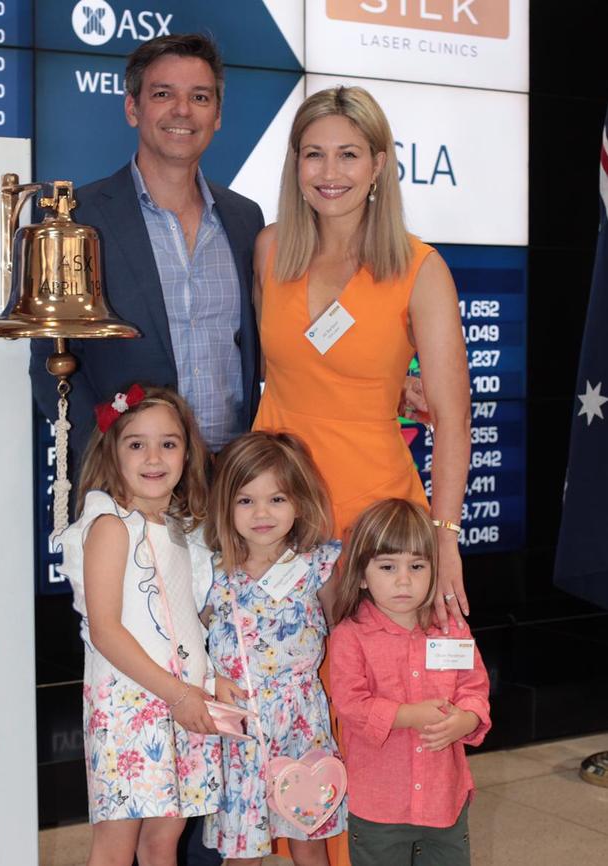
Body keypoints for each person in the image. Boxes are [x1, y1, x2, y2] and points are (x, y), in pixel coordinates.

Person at [252, 85, 470, 632]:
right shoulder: (270, 249)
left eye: (348, 154)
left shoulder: (421, 269)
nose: (331, 171)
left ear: (377, 165)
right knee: (283, 695)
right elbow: (278, 366)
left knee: (372, 699)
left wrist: (444, 538)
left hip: (375, 521)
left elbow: (453, 419)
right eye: (314, 153)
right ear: (295, 163)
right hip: (272, 512)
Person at [30, 33, 264, 463]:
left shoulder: (246, 219)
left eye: (200, 96)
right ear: (132, 108)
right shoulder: (76, 217)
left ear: (217, 116)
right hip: (129, 488)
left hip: (233, 482)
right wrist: (110, 461)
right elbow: (51, 360)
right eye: (162, 94)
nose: (182, 110)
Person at [53, 384, 244, 866]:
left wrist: (205, 681)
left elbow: (185, 622)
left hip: (184, 701)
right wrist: (178, 695)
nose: (153, 457)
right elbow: (106, 631)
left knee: (163, 841)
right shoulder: (109, 525)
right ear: (112, 451)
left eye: (169, 443)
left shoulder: (183, 529)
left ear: (187, 452)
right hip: (129, 708)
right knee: (116, 845)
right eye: (136, 443)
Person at [201, 431, 348, 865]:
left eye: (277, 500)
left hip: (303, 728)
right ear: (225, 506)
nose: (261, 513)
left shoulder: (317, 566)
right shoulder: (214, 573)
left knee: (309, 839)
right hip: (242, 732)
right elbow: (191, 643)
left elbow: (344, 628)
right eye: (246, 501)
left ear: (300, 502)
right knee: (242, 853)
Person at [330, 499, 490, 866]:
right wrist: (409, 714)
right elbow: (351, 704)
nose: (404, 580)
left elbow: (474, 688)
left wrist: (466, 719)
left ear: (435, 570)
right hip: (378, 806)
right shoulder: (351, 636)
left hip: (444, 800)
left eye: (417, 566)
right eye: (388, 566)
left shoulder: (452, 628)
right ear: (360, 574)